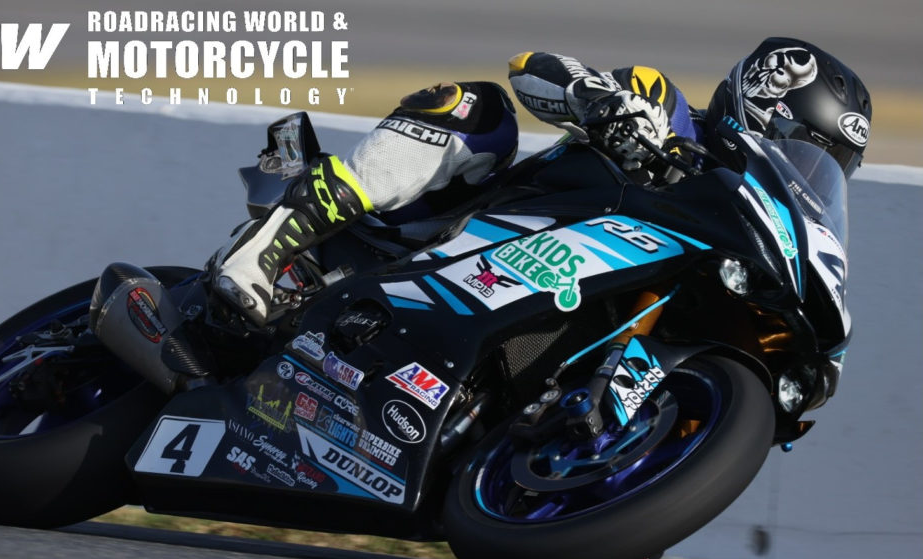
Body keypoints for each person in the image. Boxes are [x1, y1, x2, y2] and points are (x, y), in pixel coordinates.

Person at [214, 37, 872, 326]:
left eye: (826, 169)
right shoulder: (662, 105)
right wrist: (602, 104)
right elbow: (533, 67)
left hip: (550, 301)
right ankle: (275, 246)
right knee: (475, 109)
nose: (809, 174)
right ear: (766, 106)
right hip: (444, 239)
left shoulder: (750, 226)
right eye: (805, 150)